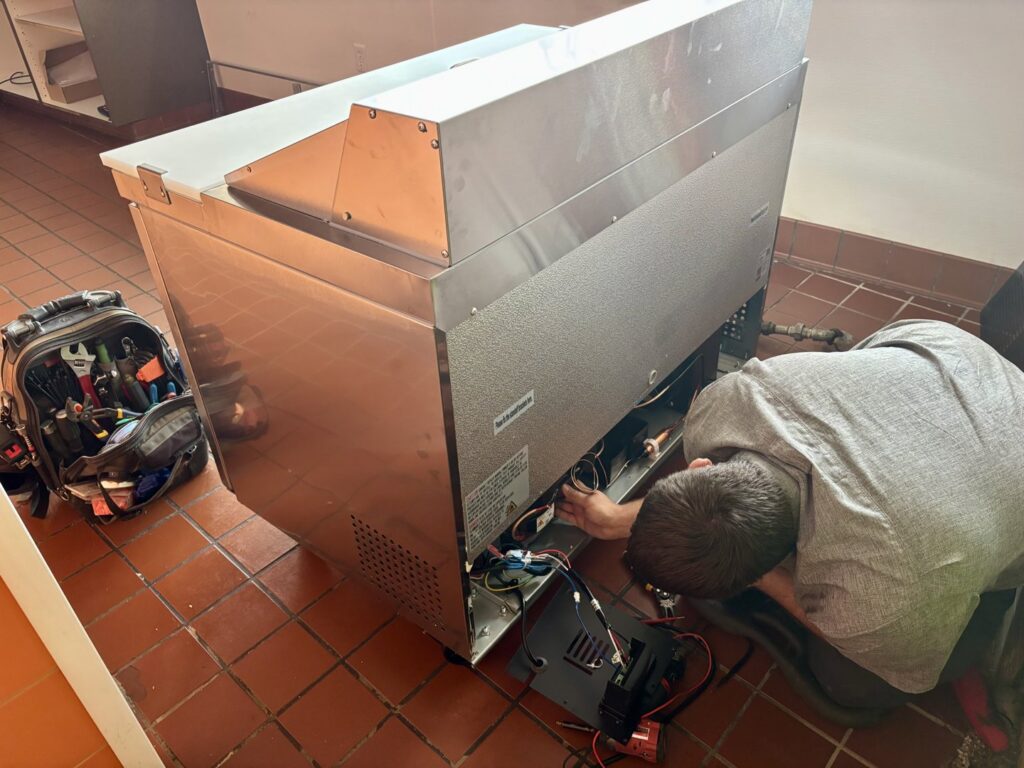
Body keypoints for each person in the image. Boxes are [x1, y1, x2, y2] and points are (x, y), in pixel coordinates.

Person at [556, 319, 1024, 708]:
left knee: (855, 684)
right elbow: (713, 508)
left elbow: (910, 670)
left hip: (1008, 438)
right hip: (942, 352)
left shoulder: (885, 592)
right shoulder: (728, 403)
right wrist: (619, 519)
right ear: (699, 465)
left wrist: (762, 580)